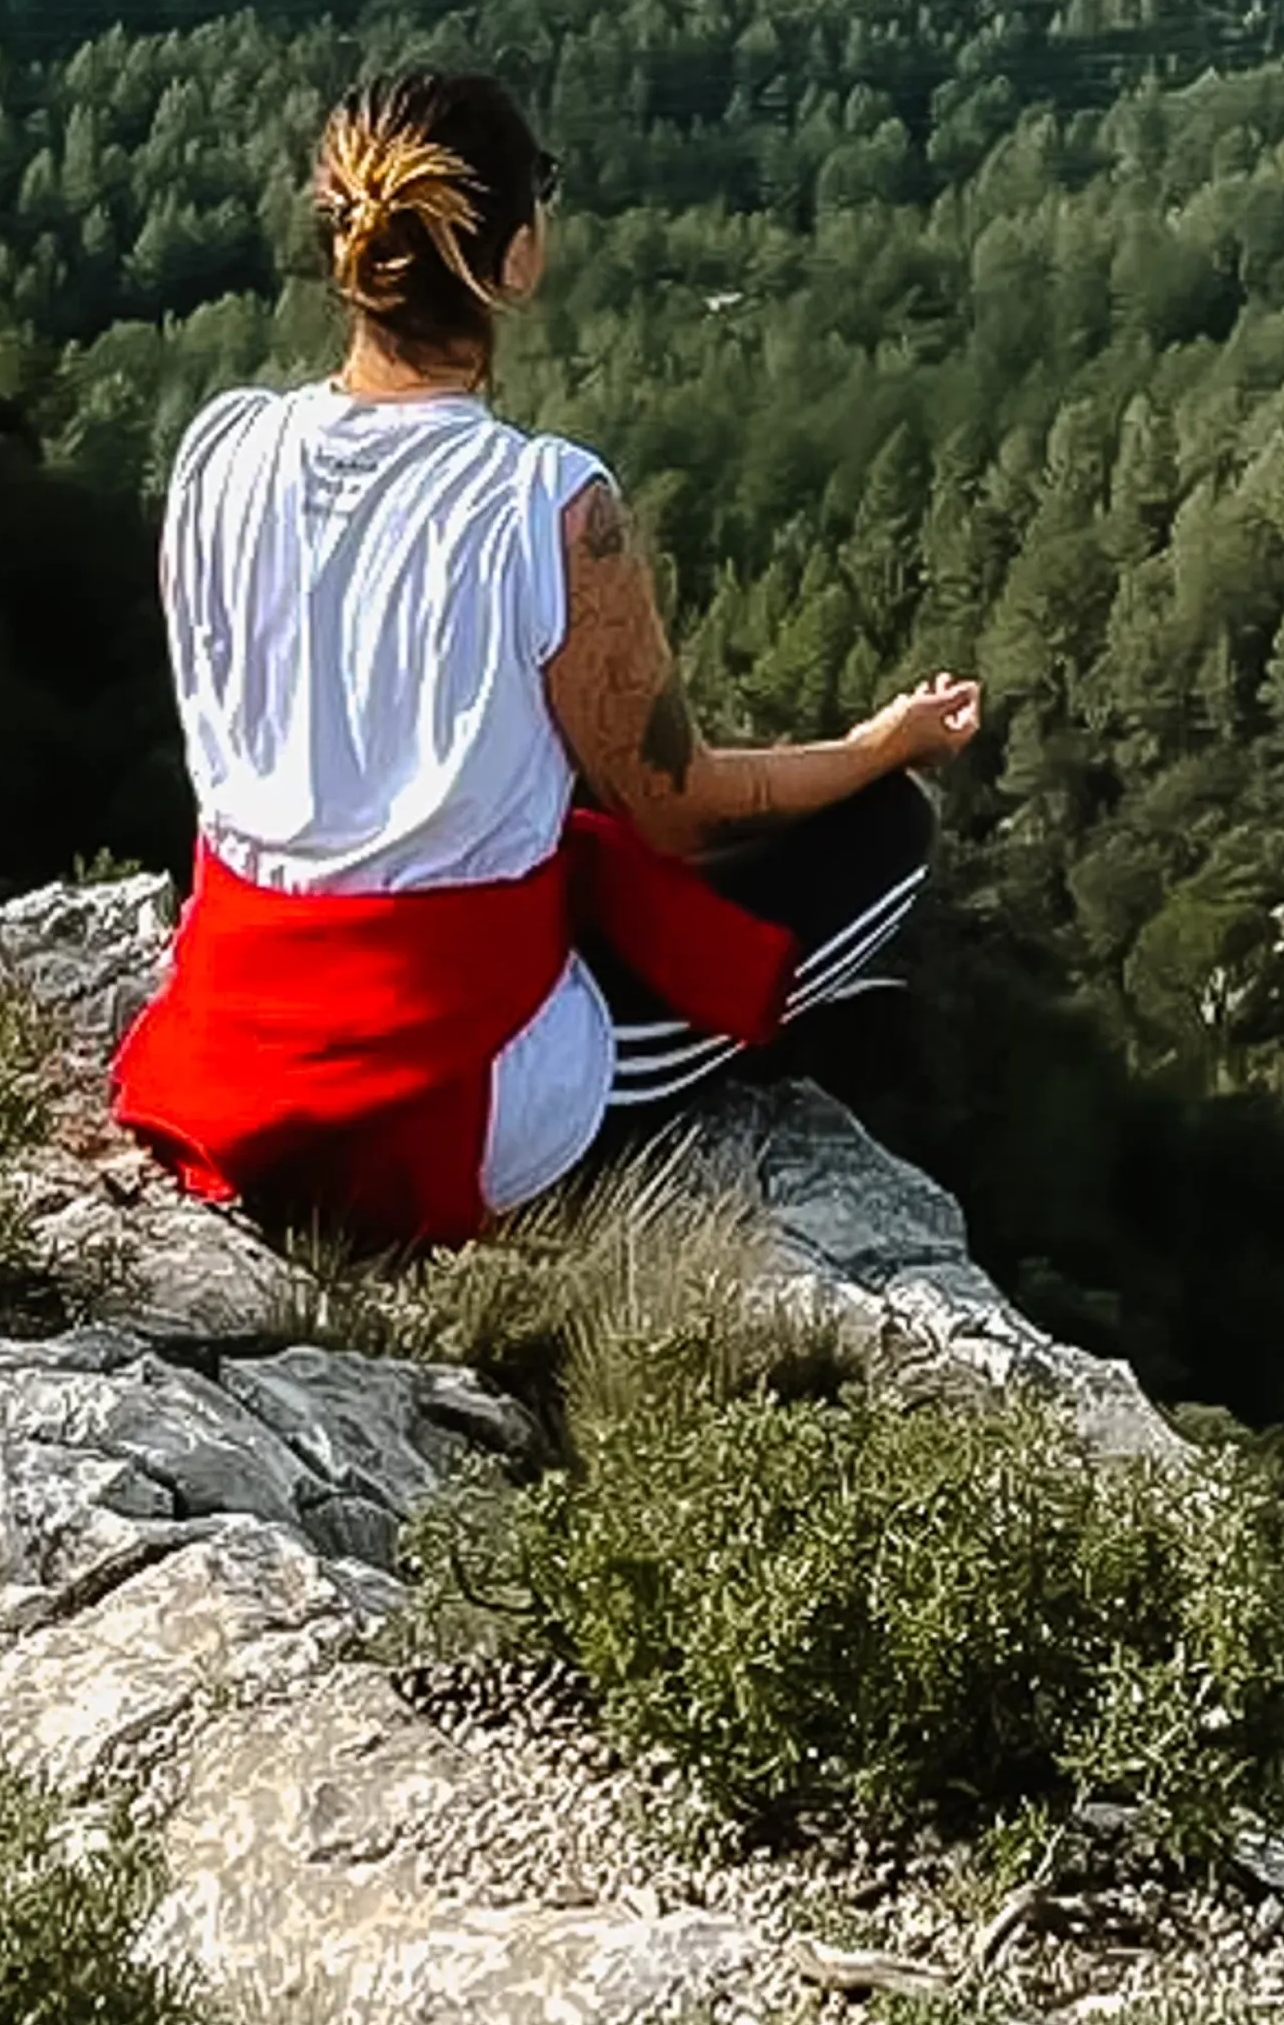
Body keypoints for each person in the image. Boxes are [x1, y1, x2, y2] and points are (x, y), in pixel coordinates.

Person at [109, 64, 982, 1246]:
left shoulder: (222, 451)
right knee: (888, 833)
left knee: (570, 828)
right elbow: (686, 811)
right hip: (442, 1092)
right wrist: (882, 743)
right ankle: (680, 1105)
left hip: (226, 1046)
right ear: (518, 256)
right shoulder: (547, 504)